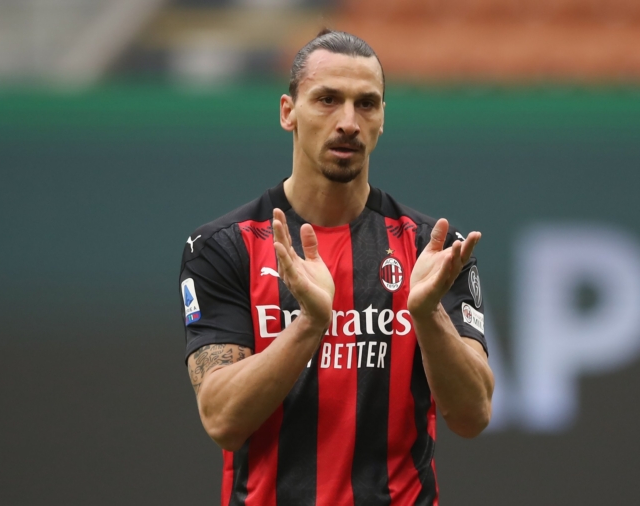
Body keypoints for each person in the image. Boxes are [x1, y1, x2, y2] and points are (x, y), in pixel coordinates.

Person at [179, 29, 494, 506]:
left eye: (366, 104)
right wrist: (310, 324)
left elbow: (472, 415)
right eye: (327, 100)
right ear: (289, 112)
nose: (348, 121)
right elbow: (222, 419)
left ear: (383, 118)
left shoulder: (432, 251)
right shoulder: (224, 248)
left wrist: (426, 313)